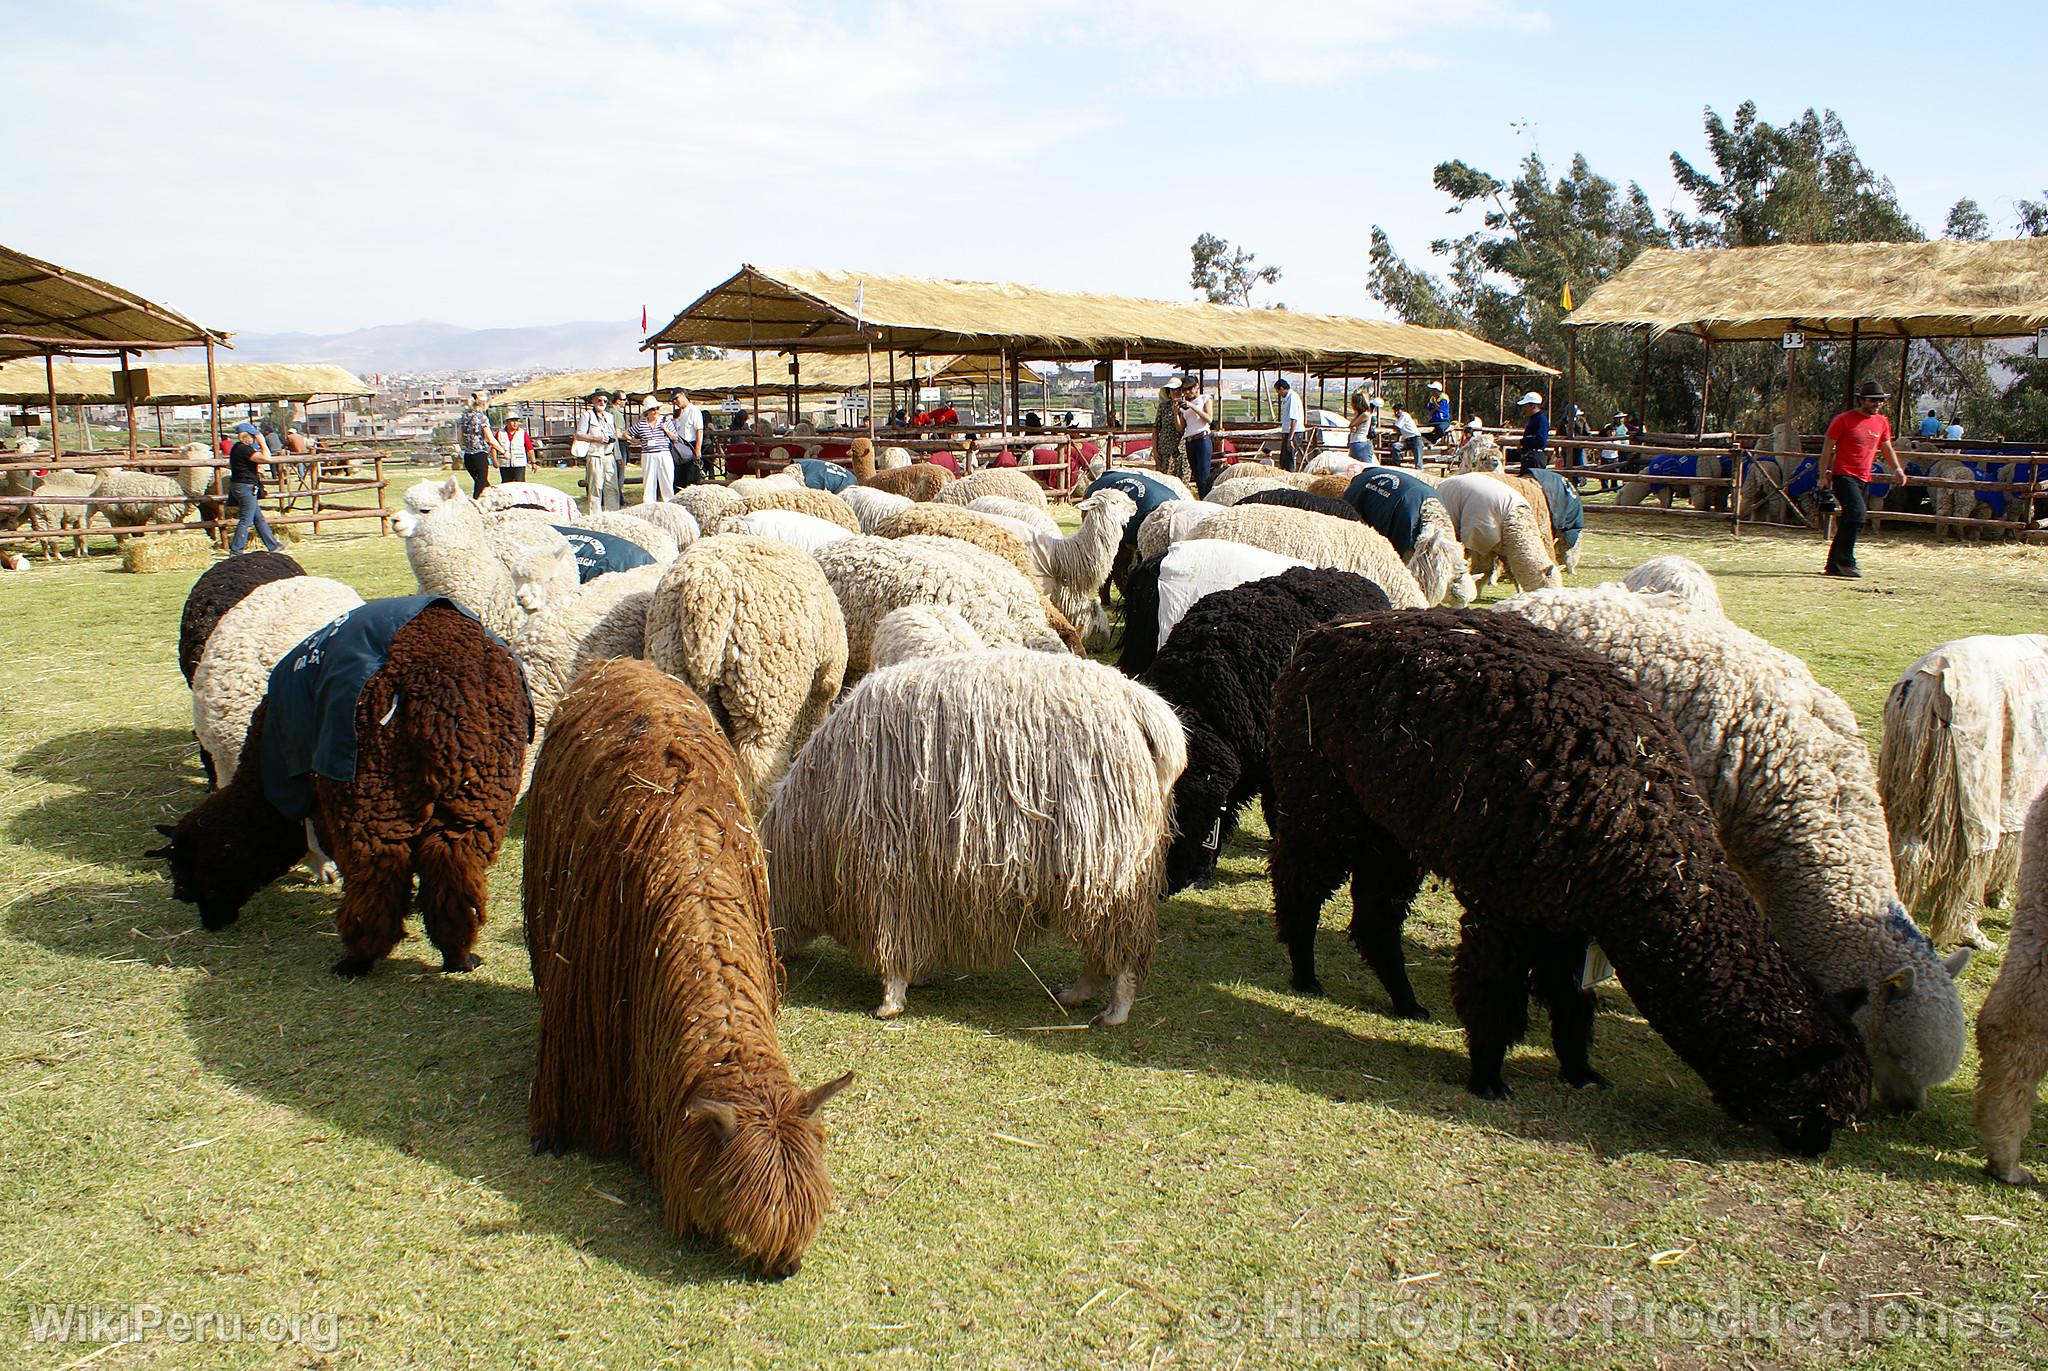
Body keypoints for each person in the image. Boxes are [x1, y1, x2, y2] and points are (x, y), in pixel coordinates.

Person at [1817, 379, 1908, 579]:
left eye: (1880, 400)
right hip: (1843, 474)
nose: (1877, 404)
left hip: (1864, 476)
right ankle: (1847, 560)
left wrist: (1897, 469)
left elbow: (1886, 447)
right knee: (1857, 514)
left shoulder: (1881, 422)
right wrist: (1823, 475)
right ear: (1862, 400)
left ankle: (1833, 564)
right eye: (1873, 400)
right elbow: (1827, 448)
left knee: (1851, 518)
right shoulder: (1843, 420)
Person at [226, 421, 281, 555]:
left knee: (258, 518)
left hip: (241, 485)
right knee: (246, 520)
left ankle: (273, 545)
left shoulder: (237, 448)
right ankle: (236, 550)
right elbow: (267, 458)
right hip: (246, 487)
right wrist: (262, 441)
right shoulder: (244, 449)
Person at [576, 390, 620, 513]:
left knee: (612, 487)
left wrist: (618, 456)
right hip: (595, 454)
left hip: (608, 455)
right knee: (596, 487)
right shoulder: (587, 415)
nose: (602, 403)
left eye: (605, 401)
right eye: (599, 400)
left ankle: (613, 513)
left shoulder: (609, 417)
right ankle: (595, 515)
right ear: (593, 401)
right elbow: (579, 435)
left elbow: (615, 437)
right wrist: (596, 438)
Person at [630, 397, 674, 504]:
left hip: (663, 453)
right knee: (649, 481)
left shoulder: (665, 421)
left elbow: (675, 437)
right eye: (652, 409)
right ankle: (649, 504)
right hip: (648, 454)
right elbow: (627, 433)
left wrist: (666, 430)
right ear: (647, 411)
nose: (655, 411)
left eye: (657, 408)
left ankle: (669, 504)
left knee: (667, 480)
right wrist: (635, 441)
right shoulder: (641, 424)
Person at [1176, 380, 1215, 495]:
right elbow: (1180, 427)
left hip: (1202, 438)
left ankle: (1207, 499)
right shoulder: (1185, 406)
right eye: (1185, 390)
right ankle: (1203, 497)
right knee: (1197, 475)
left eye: (1190, 388)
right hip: (1190, 440)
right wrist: (1176, 412)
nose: (1188, 392)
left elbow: (1209, 419)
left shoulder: (1205, 399)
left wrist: (1192, 406)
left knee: (1203, 475)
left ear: (1197, 386)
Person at [456, 392, 499, 497]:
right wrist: (504, 451)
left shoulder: (464, 417)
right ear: (484, 403)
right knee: (480, 487)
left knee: (483, 484)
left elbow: (460, 438)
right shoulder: (482, 418)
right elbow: (490, 439)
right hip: (480, 455)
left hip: (468, 456)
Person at [664, 389, 706, 488]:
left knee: (691, 479)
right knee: (680, 478)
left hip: (690, 446)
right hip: (680, 448)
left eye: (676, 398)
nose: (675, 401)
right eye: (673, 400)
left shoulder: (694, 411)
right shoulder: (682, 413)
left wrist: (697, 450)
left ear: (683, 395)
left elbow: (699, 431)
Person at [1273, 377, 1304, 471]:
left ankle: (1290, 479)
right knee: (1283, 459)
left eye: (1278, 391)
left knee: (1289, 459)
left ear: (1281, 388)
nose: (1278, 393)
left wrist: (1290, 438)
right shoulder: (1288, 398)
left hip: (1294, 432)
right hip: (1289, 432)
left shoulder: (1292, 397)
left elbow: (1294, 419)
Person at [1515, 391, 1550, 471]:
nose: (1524, 408)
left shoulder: (1541, 419)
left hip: (1535, 458)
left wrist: (1523, 441)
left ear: (1533, 406)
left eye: (1526, 406)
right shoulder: (1534, 419)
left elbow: (1540, 440)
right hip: (1530, 457)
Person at [497, 413, 536, 484]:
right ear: (507, 422)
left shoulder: (522, 433)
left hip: (519, 463)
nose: (515, 423)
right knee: (506, 485)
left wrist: (533, 462)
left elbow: (529, 449)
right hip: (504, 464)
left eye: (516, 421)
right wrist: (494, 460)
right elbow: (494, 447)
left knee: (520, 484)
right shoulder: (500, 433)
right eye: (512, 421)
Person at [1345, 390, 1378, 467]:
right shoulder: (1361, 415)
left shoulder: (1365, 414)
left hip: (1361, 443)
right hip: (1356, 442)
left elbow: (1352, 424)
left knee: (1363, 466)